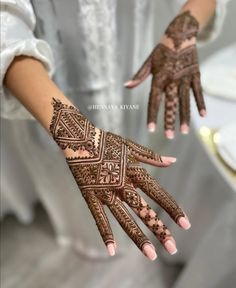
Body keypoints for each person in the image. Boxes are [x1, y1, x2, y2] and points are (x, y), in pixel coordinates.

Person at [0, 0, 229, 263]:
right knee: (72, 180)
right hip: (44, 90)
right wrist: (76, 135)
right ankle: (82, 236)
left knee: (129, 165)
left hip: (132, 75)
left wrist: (184, 27)